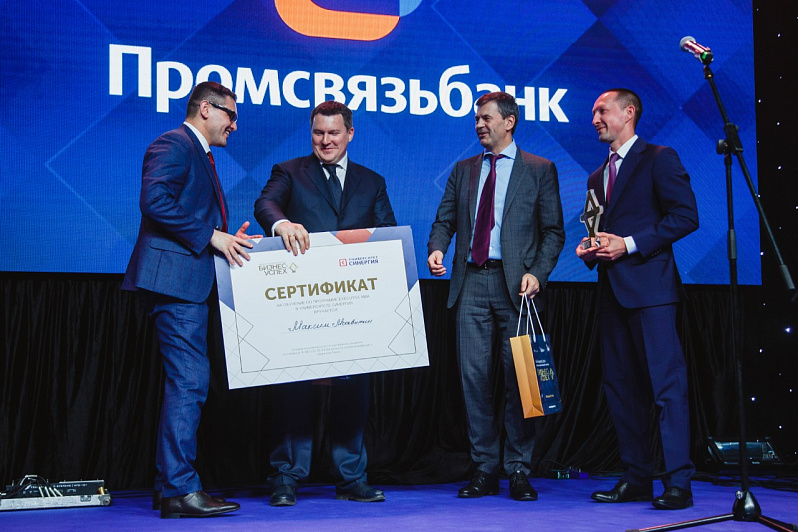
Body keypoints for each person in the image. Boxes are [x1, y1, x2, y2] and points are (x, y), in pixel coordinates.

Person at [123, 81, 260, 518]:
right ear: (205, 108)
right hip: (173, 283)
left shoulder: (198, 152)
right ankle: (180, 490)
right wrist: (211, 236)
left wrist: (225, 239)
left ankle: (170, 487)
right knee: (190, 382)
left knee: (188, 381)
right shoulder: (174, 144)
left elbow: (187, 211)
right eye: (230, 115)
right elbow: (154, 201)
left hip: (184, 282)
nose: (234, 125)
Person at [253, 100, 396, 506]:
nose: (326, 140)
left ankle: (351, 478)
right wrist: (282, 223)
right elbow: (266, 205)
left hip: (354, 304)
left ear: (350, 134)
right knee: (293, 391)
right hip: (302, 305)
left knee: (354, 392)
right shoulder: (288, 172)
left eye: (334, 133)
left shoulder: (372, 181)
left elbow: (387, 231)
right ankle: (286, 477)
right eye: (318, 132)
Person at [427, 91, 565, 501]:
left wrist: (538, 273)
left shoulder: (540, 169)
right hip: (470, 284)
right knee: (474, 380)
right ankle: (485, 468)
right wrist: (437, 247)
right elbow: (444, 220)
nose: (479, 125)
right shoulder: (463, 169)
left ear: (509, 121)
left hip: (518, 291)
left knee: (521, 381)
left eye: (486, 118)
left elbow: (553, 232)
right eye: (476, 119)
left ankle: (518, 468)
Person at [577, 89, 699, 510]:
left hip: (652, 293)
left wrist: (628, 244)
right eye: (594, 112)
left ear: (629, 113)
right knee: (621, 389)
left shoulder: (659, 158)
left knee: (667, 389)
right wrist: (589, 249)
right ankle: (637, 478)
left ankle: (678, 483)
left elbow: (686, 216)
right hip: (611, 294)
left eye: (602, 110)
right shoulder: (596, 177)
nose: (595, 118)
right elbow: (597, 231)